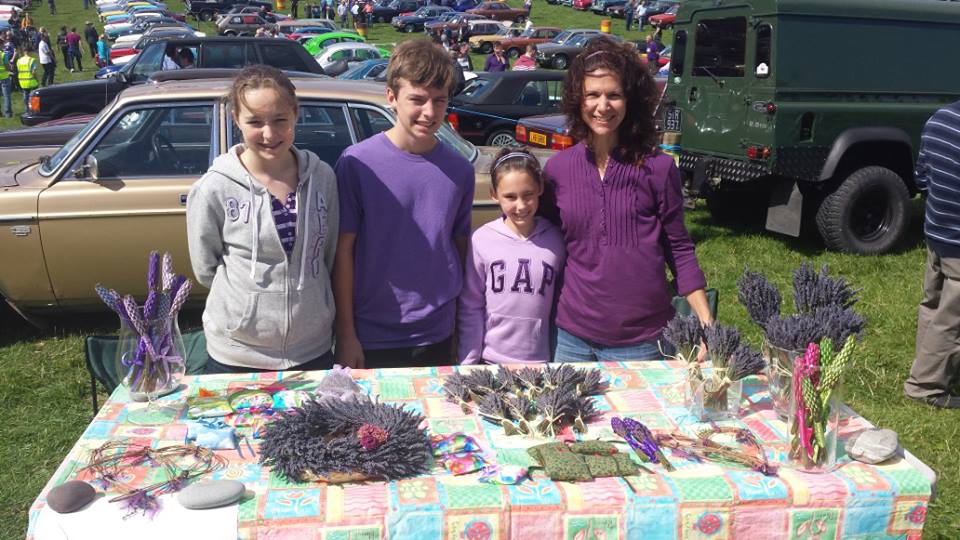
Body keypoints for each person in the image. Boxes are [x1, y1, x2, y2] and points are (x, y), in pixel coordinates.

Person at [539, 37, 713, 362]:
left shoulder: (659, 169)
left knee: (634, 417)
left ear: (630, 100)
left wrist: (707, 322)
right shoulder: (558, 170)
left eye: (613, 95)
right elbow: (541, 238)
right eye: (592, 94)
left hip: (643, 341)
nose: (602, 106)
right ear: (578, 100)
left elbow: (679, 248)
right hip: (571, 339)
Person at [186, 65, 339, 374]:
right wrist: (247, 307)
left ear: (295, 114)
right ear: (236, 121)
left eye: (280, 120)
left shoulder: (323, 177)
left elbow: (328, 253)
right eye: (255, 122)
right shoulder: (214, 187)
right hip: (237, 354)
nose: (269, 134)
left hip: (312, 348)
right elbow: (206, 268)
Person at [333, 40, 475, 369]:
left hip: (436, 332)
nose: (429, 112)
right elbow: (343, 253)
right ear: (392, 98)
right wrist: (346, 333)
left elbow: (459, 249)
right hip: (371, 333)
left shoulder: (459, 170)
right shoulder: (356, 164)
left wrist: (458, 330)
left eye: (439, 101)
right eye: (417, 99)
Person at [458, 147, 565, 364]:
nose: (521, 206)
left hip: (541, 362)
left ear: (540, 189)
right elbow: (471, 306)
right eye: (510, 197)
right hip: (490, 361)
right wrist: (468, 361)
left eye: (528, 195)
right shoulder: (481, 240)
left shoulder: (556, 240)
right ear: (494, 195)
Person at [904, 100, 960, 409]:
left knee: (933, 303)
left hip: (936, 232)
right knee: (952, 319)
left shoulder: (940, 119)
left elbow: (922, 176)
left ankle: (924, 367)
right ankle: (926, 387)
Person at [0, 43, 11, 118]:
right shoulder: (3, 54)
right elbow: (7, 66)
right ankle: (8, 113)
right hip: (4, 77)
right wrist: (10, 69)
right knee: (6, 96)